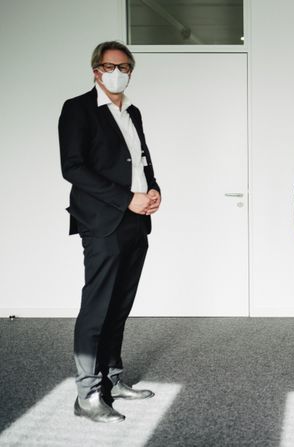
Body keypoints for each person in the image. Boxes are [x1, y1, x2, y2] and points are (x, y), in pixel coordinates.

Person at [59, 41, 160, 422]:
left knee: (119, 306)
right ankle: (86, 395)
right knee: (97, 307)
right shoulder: (78, 109)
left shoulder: (132, 112)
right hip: (102, 222)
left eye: (125, 66)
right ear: (96, 70)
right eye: (110, 65)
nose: (118, 72)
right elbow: (73, 168)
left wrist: (154, 190)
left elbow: (143, 161)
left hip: (136, 221)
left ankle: (112, 380)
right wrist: (125, 198)